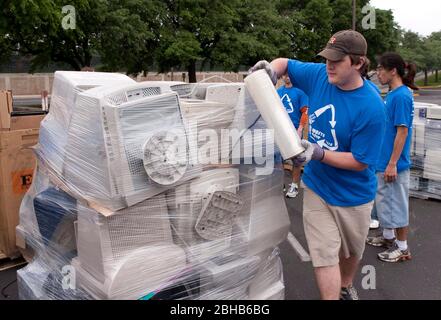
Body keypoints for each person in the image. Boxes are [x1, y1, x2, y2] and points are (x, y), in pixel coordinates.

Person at [250, 30, 386, 300]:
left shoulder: (372, 107)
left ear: (358, 63)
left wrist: (318, 153)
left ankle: (346, 284)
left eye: (337, 60)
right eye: (327, 59)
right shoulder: (319, 76)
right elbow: (285, 63)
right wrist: (270, 71)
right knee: (324, 255)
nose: (329, 65)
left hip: (354, 195)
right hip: (318, 187)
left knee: (350, 254)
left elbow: (360, 162)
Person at [366, 52, 417, 263]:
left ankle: (402, 248)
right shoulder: (393, 94)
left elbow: (402, 131)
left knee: (397, 205)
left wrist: (393, 163)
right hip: (384, 160)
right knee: (385, 203)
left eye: (380, 69)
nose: (378, 73)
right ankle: (388, 238)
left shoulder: (402, 96)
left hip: (394, 163)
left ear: (392, 70)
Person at [277, 73, 309, 198]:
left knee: (296, 159)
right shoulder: (279, 92)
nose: (287, 76)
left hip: (294, 130)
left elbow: (305, 111)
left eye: (289, 74)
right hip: (280, 130)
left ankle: (294, 185)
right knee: (278, 159)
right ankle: (280, 184)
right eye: (284, 74)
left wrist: (300, 128)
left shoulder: (300, 92)